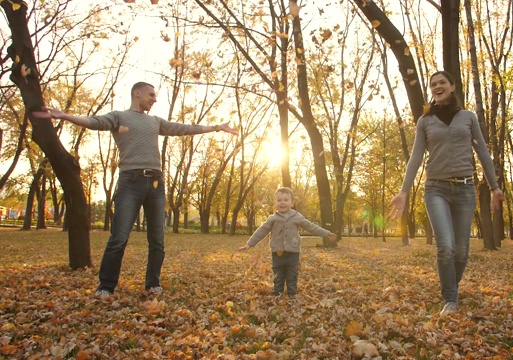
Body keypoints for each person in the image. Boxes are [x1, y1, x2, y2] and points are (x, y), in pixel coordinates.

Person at [33, 82, 238, 298]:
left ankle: (152, 284)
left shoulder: (155, 121)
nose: (154, 99)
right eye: (151, 95)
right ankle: (106, 286)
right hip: (130, 182)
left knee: (157, 239)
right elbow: (94, 122)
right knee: (119, 237)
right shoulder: (119, 117)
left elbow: (184, 129)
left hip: (156, 183)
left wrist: (216, 127)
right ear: (137, 93)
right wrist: (65, 116)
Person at [390, 70, 504, 315]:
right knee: (446, 246)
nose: (437, 87)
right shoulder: (425, 121)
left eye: (442, 82)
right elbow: (416, 157)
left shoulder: (468, 117)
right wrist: (404, 191)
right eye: (433, 85)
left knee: (462, 250)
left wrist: (494, 187)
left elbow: (483, 152)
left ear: (453, 86)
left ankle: (451, 286)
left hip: (464, 189)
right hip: (436, 189)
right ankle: (450, 299)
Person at [238, 187, 337, 296]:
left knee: (292, 275)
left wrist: (326, 233)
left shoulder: (297, 217)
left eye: (285, 200)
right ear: (275, 202)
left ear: (292, 203)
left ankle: (291, 294)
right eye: (279, 200)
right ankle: (277, 293)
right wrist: (249, 244)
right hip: (277, 253)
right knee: (278, 275)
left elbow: (311, 227)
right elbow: (261, 231)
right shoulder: (273, 218)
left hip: (293, 253)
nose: (282, 203)